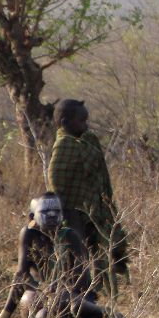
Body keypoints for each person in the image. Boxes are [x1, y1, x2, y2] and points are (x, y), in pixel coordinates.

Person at [0, 193, 118, 318]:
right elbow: (21, 276)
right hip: (44, 298)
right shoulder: (29, 234)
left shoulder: (69, 236)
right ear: (32, 217)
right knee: (42, 317)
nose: (52, 215)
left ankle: (107, 314)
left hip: (71, 297)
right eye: (45, 212)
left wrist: (56, 288)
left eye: (56, 211)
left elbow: (80, 279)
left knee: (67, 302)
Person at [47, 99, 129, 300]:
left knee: (100, 252)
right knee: (76, 254)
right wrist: (65, 213)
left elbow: (101, 176)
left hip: (94, 208)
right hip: (71, 209)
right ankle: (78, 294)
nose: (86, 124)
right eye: (81, 120)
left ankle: (100, 293)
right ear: (65, 122)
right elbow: (55, 182)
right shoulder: (64, 146)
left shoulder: (88, 141)